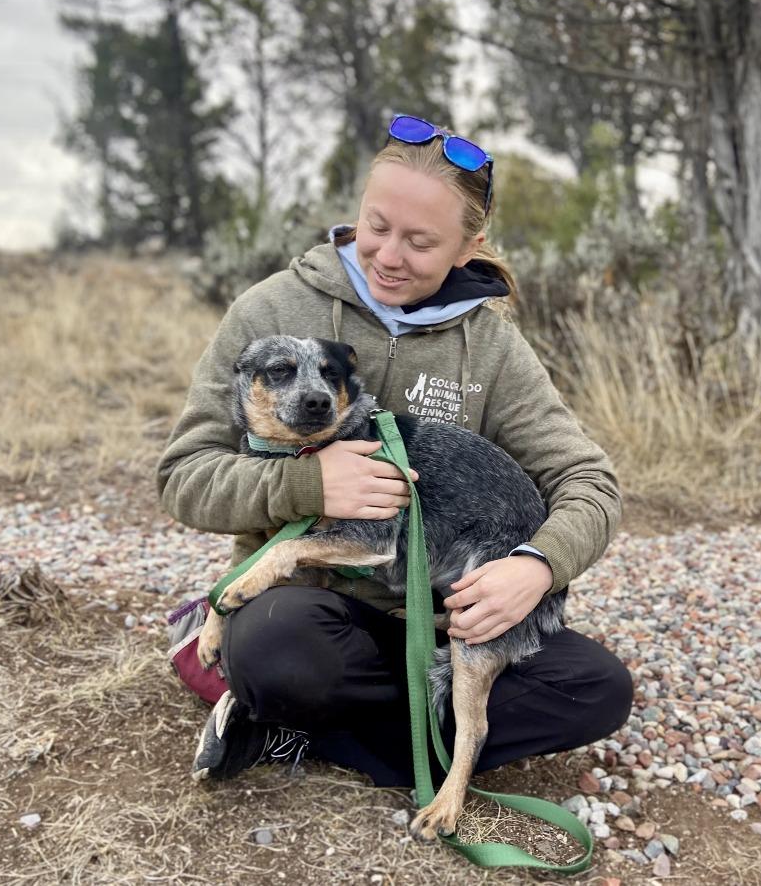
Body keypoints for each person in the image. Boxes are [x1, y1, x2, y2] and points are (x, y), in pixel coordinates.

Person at [157, 113, 632, 787]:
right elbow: (185, 475)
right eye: (377, 225)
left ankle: (296, 729)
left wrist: (535, 567)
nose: (386, 254)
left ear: (469, 247)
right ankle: (324, 704)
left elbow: (590, 481)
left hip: (436, 622)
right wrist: (308, 487)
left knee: (596, 688)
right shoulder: (270, 310)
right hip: (312, 602)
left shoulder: (492, 349)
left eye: (420, 241)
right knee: (279, 646)